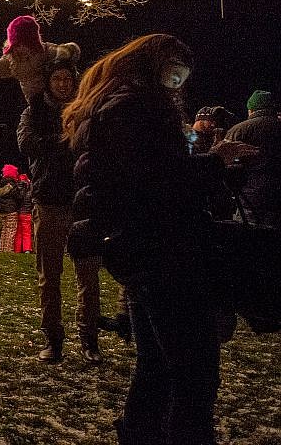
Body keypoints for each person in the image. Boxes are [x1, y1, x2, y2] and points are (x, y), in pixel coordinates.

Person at [63, 34, 252, 445]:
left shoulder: (115, 105)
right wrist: (215, 163)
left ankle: (140, 434)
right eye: (174, 71)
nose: (178, 82)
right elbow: (160, 183)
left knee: (157, 365)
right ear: (154, 67)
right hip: (164, 249)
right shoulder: (140, 108)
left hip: (139, 248)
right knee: (194, 367)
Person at [18, 56, 102, 363]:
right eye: (57, 79)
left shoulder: (85, 111)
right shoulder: (34, 112)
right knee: (49, 276)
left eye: (68, 79)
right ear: (48, 82)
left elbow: (96, 145)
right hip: (49, 201)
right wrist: (65, 140)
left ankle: (89, 339)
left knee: (88, 275)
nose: (63, 84)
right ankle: (53, 339)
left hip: (83, 200)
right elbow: (28, 144)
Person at [0, 14, 81, 101]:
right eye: (17, 44)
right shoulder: (13, 62)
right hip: (36, 102)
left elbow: (71, 49)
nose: (21, 48)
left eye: (25, 44)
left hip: (60, 96)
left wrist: (64, 53)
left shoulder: (45, 52)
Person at [224, 90, 281, 228]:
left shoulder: (239, 130)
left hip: (249, 197)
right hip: (277, 197)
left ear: (251, 109)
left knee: (248, 240)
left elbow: (224, 163)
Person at [0, 164, 24, 253]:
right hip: (11, 210)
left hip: (2, 210)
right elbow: (18, 197)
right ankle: (8, 250)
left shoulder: (0, 184)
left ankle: (2, 249)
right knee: (11, 230)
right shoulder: (12, 184)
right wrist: (21, 189)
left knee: (4, 230)